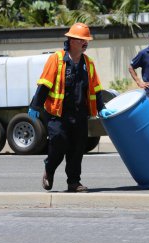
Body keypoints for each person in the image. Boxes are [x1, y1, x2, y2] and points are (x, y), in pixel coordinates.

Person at [28, 23, 106, 192]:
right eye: (82, 40)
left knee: (77, 149)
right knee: (59, 144)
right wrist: (35, 105)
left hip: (80, 114)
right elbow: (44, 84)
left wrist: (101, 108)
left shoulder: (88, 63)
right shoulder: (56, 59)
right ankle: (49, 169)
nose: (85, 43)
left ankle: (73, 182)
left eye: (87, 40)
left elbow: (95, 88)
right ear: (71, 40)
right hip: (58, 114)